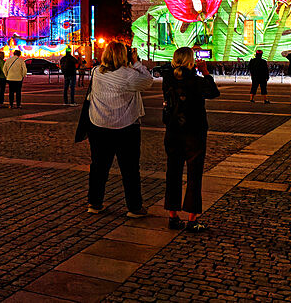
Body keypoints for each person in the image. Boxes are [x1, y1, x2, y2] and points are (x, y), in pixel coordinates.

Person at [86, 42, 154, 218]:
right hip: (126, 127)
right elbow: (148, 81)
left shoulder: (96, 72)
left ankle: (94, 203)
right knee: (130, 169)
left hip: (99, 125)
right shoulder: (129, 75)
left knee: (98, 167)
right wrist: (137, 62)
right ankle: (134, 207)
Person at [162, 46, 220, 233]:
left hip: (172, 131)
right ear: (190, 61)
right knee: (194, 175)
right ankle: (192, 219)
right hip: (194, 132)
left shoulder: (167, 79)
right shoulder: (197, 81)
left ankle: (173, 216)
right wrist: (206, 73)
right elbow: (213, 93)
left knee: (173, 172)